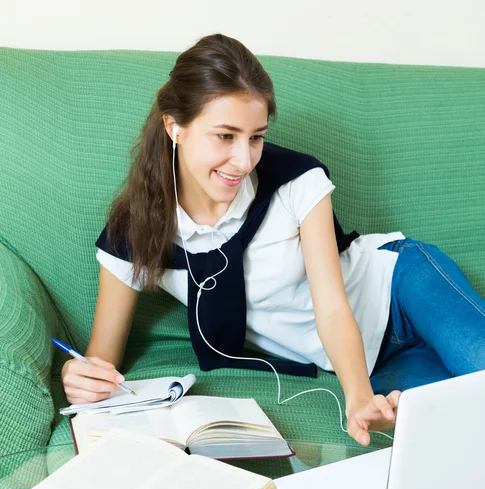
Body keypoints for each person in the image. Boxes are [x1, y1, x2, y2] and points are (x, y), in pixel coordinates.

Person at [61, 33, 485, 447]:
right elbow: (102, 362)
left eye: (256, 137)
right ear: (175, 128)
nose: (244, 160)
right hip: (373, 359)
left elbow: (334, 308)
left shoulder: (298, 183)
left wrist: (355, 395)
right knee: (459, 430)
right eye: (225, 136)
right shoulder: (134, 231)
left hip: (401, 285)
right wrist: (82, 377)